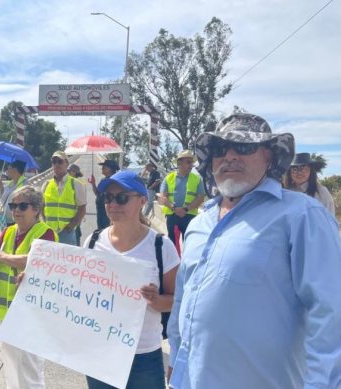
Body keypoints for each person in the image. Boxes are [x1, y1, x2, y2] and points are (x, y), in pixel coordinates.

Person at [168, 113, 341, 389]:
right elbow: (183, 301)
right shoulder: (200, 223)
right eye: (220, 149)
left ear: (269, 157)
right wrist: (176, 362)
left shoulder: (301, 216)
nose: (230, 157)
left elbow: (331, 315)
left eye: (244, 147)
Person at [83, 170, 179, 389]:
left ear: (143, 201)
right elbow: (77, 292)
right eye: (108, 198)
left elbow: (177, 300)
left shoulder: (161, 247)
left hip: (143, 356)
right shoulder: (92, 241)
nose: (113, 204)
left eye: (122, 198)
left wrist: (156, 301)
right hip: (100, 352)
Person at [0, 186, 58, 389]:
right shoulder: (9, 231)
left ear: (36, 209)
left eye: (22, 206)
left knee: (30, 368)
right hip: (7, 312)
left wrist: (4, 257)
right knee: (10, 364)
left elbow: (34, 261)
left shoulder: (46, 233)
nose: (16, 210)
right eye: (13, 205)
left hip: (32, 314)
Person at [158, 150, 205, 251]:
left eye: (191, 162)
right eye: (188, 162)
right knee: (173, 244)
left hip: (189, 216)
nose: (191, 165)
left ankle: (186, 265)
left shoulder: (197, 179)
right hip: (173, 216)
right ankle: (175, 265)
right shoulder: (168, 178)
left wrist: (186, 209)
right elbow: (162, 197)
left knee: (189, 244)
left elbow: (200, 197)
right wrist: (174, 208)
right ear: (179, 163)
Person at [41, 151, 86, 245]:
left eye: (60, 161)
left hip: (66, 233)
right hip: (49, 231)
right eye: (54, 162)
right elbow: (42, 206)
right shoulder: (47, 184)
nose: (56, 164)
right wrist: (44, 222)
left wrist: (71, 225)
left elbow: (82, 208)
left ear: (67, 164)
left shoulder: (76, 184)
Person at [88, 159, 119, 229]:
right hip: (100, 209)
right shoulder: (103, 180)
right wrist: (93, 183)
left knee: (107, 229)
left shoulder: (114, 181)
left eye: (105, 167)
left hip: (108, 210)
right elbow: (97, 193)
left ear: (111, 169)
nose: (102, 168)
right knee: (100, 229)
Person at [0, 160, 28, 230]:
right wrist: (1, 187)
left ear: (15, 170)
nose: (7, 171)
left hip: (16, 222)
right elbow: (5, 199)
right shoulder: (11, 183)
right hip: (5, 221)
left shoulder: (24, 185)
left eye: (8, 168)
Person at [67, 163, 86, 245]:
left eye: (69, 171)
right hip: (69, 219)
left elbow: (82, 205)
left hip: (74, 219)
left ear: (74, 172)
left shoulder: (78, 184)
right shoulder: (66, 182)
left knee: (76, 238)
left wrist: (74, 223)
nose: (67, 172)